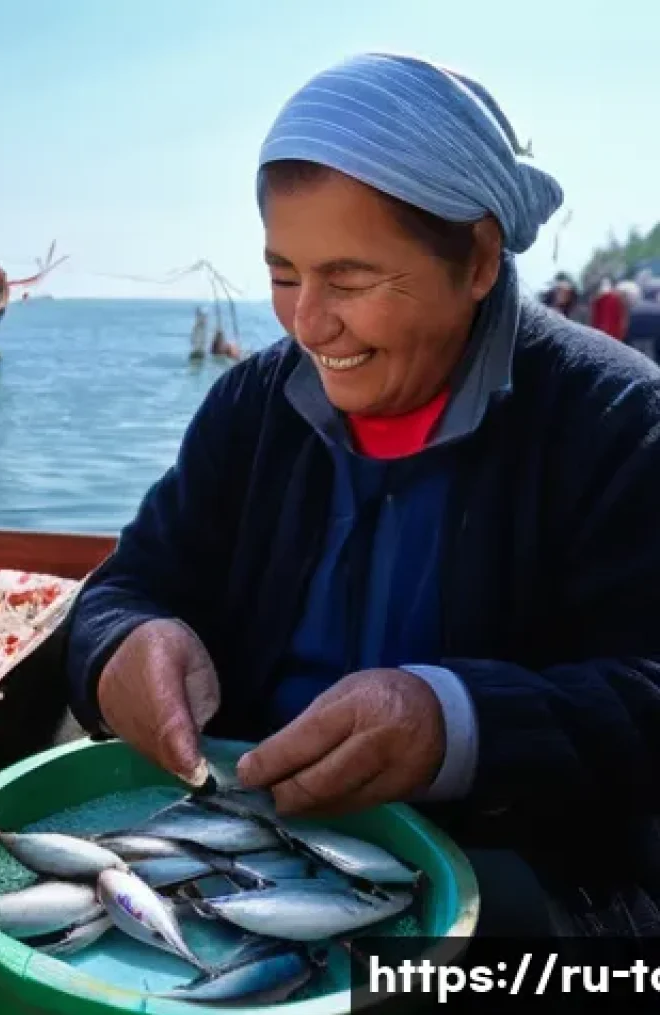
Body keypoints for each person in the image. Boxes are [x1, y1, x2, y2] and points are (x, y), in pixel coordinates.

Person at [64, 52, 660, 941]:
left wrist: (452, 724)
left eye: (349, 280)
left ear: (480, 259)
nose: (308, 323)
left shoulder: (616, 419)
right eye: (283, 274)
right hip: (245, 857)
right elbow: (130, 583)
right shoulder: (250, 407)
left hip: (529, 890)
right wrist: (122, 648)